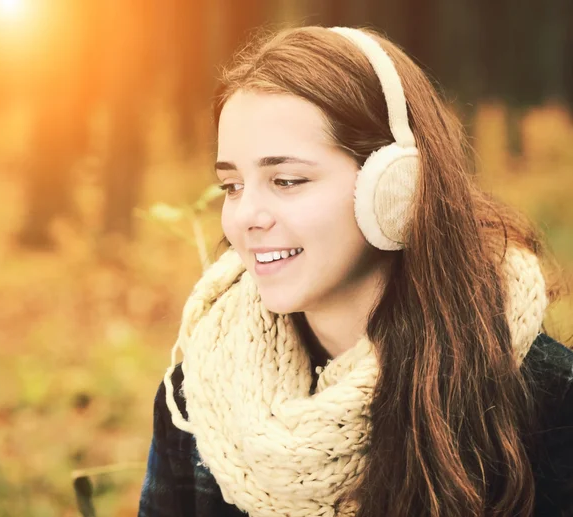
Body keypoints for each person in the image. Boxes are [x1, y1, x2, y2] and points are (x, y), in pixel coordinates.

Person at [138, 26, 573, 517]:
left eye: (286, 180)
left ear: (396, 186)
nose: (244, 217)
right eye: (232, 186)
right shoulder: (199, 398)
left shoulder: (547, 401)